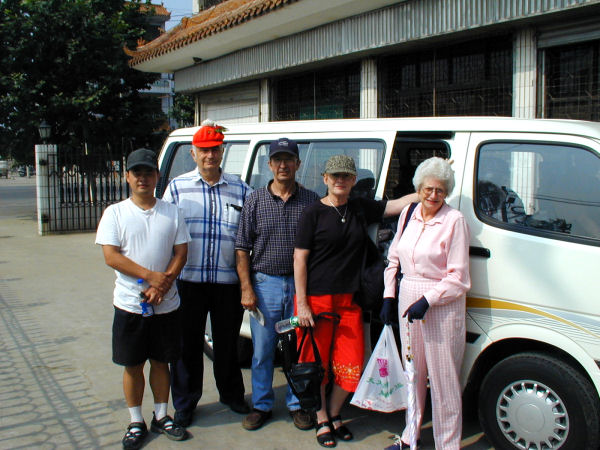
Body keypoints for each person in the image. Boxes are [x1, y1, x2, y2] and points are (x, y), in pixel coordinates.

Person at [293, 155, 418, 448]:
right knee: (316, 366)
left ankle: (336, 414)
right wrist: (302, 304)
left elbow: (398, 204)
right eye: (335, 176)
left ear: (352, 182)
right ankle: (322, 419)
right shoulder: (312, 213)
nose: (340, 180)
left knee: (351, 366)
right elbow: (300, 258)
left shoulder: (360, 208)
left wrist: (430, 185)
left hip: (350, 302)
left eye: (346, 176)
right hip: (316, 301)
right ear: (325, 179)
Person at [95, 148, 191, 449]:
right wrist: (151, 277)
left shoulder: (171, 211)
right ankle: (136, 420)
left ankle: (162, 415)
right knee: (133, 365)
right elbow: (111, 255)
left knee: (162, 362)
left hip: (166, 303)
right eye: (137, 172)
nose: (143, 178)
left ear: (157, 176)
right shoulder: (115, 213)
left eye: (148, 172)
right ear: (127, 177)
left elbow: (181, 252)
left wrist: (162, 286)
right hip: (129, 303)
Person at [162, 119, 252, 427]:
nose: (210, 156)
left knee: (227, 344)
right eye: (204, 150)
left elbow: (252, 235)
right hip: (188, 282)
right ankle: (185, 403)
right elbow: (165, 236)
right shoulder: (177, 188)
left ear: (222, 151)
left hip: (227, 283)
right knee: (187, 347)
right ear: (193, 153)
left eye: (215, 150)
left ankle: (231, 395)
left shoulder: (241, 189)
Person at [380, 157, 471, 450]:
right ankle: (410, 436)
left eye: (440, 191)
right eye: (429, 189)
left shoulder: (454, 220)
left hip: (441, 303)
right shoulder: (408, 213)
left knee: (444, 379)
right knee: (414, 373)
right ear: (418, 188)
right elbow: (394, 258)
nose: (433, 196)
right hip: (407, 298)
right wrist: (388, 295)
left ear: (447, 193)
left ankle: (448, 444)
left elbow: (458, 277)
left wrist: (428, 300)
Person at [235, 138, 319, 431]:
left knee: (297, 348)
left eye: (289, 159)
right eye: (277, 160)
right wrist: (246, 288)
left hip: (299, 288)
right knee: (263, 350)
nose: (283, 165)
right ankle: (262, 405)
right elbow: (242, 247)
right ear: (270, 165)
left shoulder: (311, 200)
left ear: (298, 164)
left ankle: (298, 404)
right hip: (265, 284)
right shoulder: (255, 199)